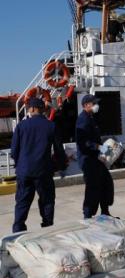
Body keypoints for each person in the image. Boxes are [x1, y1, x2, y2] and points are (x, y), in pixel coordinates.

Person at [11, 98, 67, 232]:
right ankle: (47, 228)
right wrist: (60, 166)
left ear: (32, 109)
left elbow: (14, 151)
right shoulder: (51, 126)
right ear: (42, 109)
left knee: (22, 201)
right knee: (47, 200)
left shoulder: (21, 126)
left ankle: (18, 230)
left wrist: (21, 165)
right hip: (43, 171)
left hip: (24, 172)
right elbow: (59, 151)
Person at [75, 94, 115, 218]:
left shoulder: (90, 118)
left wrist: (103, 146)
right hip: (88, 160)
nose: (96, 105)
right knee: (93, 187)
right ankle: (87, 215)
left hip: (96, 158)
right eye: (94, 103)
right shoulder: (83, 119)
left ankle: (105, 212)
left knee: (106, 183)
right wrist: (99, 147)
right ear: (86, 105)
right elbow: (83, 142)